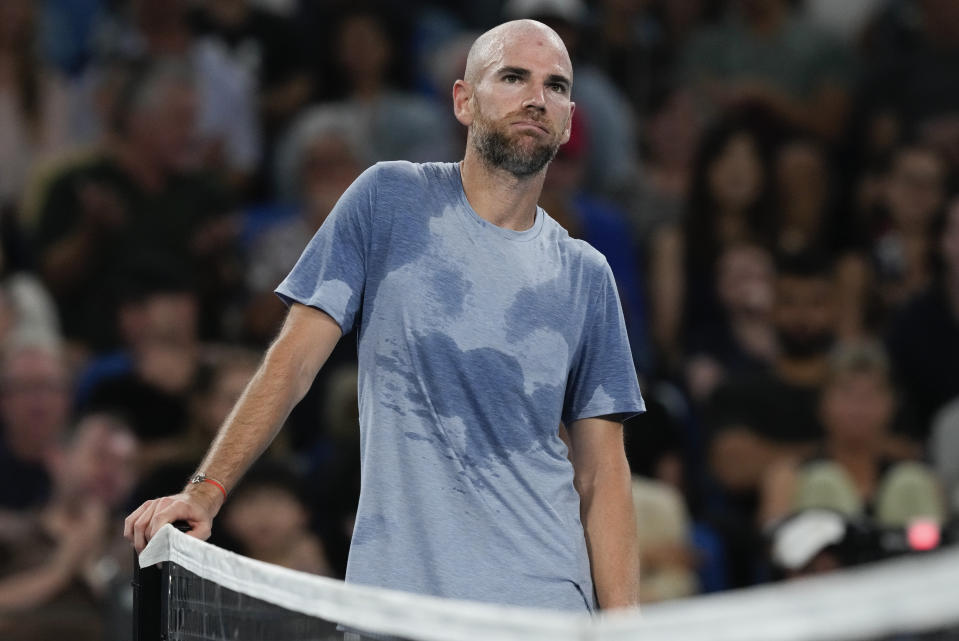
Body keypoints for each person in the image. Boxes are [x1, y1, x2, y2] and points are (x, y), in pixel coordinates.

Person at [125, 19, 645, 613]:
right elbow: (292, 362)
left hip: (544, 606)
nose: (536, 98)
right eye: (513, 77)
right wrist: (207, 491)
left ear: (570, 118)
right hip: (395, 602)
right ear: (463, 101)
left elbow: (603, 475)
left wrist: (623, 628)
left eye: (555, 85)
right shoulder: (389, 198)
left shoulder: (587, 274)